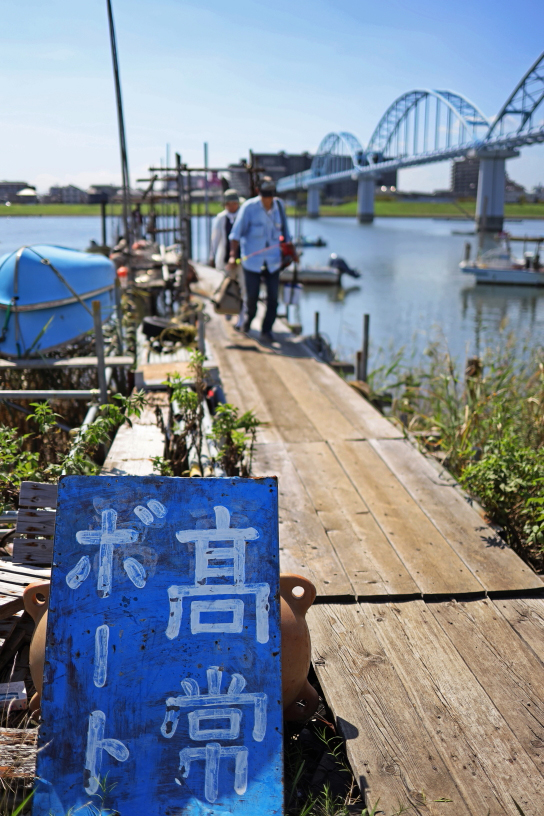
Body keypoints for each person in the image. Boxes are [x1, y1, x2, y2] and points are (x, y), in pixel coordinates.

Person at [227, 178, 295, 342]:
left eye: (270, 196)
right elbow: (235, 235)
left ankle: (267, 330)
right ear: (259, 193)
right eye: (265, 196)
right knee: (252, 297)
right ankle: (248, 321)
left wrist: (292, 253)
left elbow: (286, 234)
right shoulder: (249, 207)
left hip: (273, 261)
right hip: (252, 262)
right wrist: (232, 255)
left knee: (273, 298)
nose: (268, 199)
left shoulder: (279, 206)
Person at [209, 189, 241, 271]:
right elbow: (215, 239)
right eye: (228, 204)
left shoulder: (242, 216)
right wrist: (212, 256)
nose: (231, 206)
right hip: (225, 258)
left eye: (234, 203)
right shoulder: (221, 218)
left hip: (242, 259)